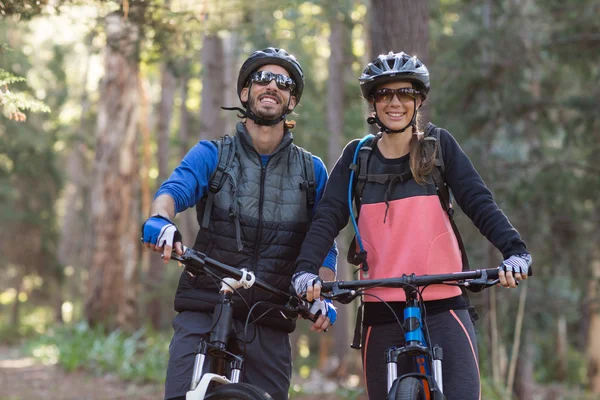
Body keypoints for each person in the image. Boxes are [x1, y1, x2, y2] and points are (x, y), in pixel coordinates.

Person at [291, 51, 532, 400]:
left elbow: (480, 204)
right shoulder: (357, 158)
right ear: (373, 102)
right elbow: (327, 218)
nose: (395, 102)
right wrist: (304, 271)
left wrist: (515, 252)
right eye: (385, 94)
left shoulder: (439, 148)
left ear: (418, 100)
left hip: (444, 302)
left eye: (405, 93)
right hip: (380, 306)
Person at [141, 47, 338, 400]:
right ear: (245, 93)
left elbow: (324, 243)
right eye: (262, 78)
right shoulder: (213, 154)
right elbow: (171, 192)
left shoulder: (312, 171)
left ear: (291, 100)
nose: (272, 86)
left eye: (283, 82)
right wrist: (161, 220)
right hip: (205, 303)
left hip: (270, 314)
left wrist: (321, 295)